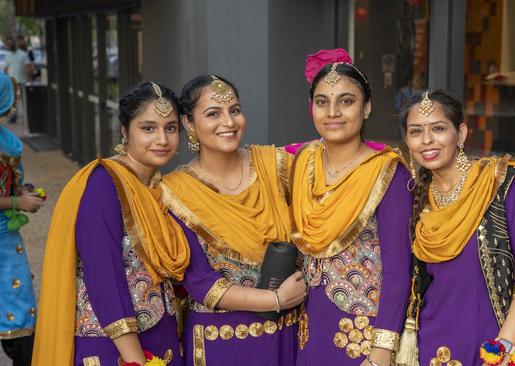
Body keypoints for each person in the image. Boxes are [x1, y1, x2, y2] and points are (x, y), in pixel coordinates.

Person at [399, 89, 515, 366]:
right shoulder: (418, 199)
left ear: (460, 134)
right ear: (408, 141)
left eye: (438, 128)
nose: (427, 140)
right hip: (433, 348)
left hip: (496, 349)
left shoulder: (502, 185)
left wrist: (501, 350)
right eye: (415, 131)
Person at [32, 82, 190, 366]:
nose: (162, 139)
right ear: (124, 131)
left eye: (170, 127)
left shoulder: (160, 186)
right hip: (114, 347)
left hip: (163, 335)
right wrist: (134, 361)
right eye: (148, 128)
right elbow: (103, 278)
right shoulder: (103, 184)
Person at [160, 74, 306, 366]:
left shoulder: (276, 166)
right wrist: (276, 300)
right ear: (189, 124)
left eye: (234, 110)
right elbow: (200, 282)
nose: (228, 122)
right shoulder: (175, 191)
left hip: (286, 335)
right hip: (221, 343)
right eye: (213, 113)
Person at [290, 49, 412, 366]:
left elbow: (399, 273)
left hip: (362, 337)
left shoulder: (387, 173)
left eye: (346, 101)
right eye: (322, 102)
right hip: (308, 330)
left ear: (367, 107)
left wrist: (381, 352)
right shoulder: (301, 162)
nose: (333, 112)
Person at [0, 72, 43, 366]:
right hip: (3, 241)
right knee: (18, 307)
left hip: (6, 238)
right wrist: (19, 201)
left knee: (17, 304)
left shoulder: (6, 142)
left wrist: (22, 192)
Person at [2, 37, 31, 124]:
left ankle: (28, 118)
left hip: (22, 81)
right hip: (12, 82)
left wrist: (30, 77)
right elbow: (6, 69)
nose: (10, 45)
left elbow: (28, 66)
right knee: (13, 101)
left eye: (11, 43)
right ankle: (13, 117)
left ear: (15, 43)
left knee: (24, 101)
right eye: (8, 44)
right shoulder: (8, 56)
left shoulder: (23, 54)